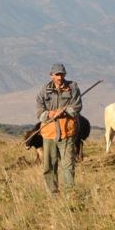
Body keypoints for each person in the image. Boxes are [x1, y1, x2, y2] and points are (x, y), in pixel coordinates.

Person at [35, 63, 83, 196]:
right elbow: (39, 112)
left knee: (68, 166)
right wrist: (50, 114)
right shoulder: (44, 90)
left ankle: (70, 195)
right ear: (51, 75)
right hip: (49, 134)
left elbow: (77, 107)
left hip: (67, 133)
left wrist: (64, 111)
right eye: (57, 74)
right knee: (49, 167)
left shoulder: (73, 87)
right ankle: (53, 195)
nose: (59, 77)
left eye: (61, 74)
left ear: (65, 74)